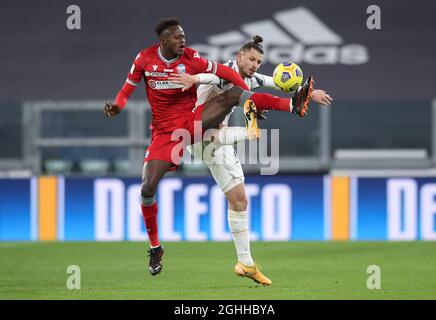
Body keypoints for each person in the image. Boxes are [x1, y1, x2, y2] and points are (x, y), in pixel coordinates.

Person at [103, 18, 313, 278]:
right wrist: (118, 106)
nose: (183, 40)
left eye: (184, 36)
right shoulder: (145, 60)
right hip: (168, 133)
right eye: (177, 37)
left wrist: (251, 93)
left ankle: (289, 108)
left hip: (194, 122)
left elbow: (246, 78)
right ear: (164, 40)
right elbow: (127, 90)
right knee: (147, 187)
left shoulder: (193, 57)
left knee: (233, 105)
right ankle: (156, 247)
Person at [169, 35, 332, 285]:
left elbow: (275, 82)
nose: (256, 64)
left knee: (239, 199)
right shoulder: (226, 73)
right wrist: (194, 78)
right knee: (235, 114)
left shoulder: (250, 78)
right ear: (239, 57)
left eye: (259, 61)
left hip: (213, 140)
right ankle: (249, 127)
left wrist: (309, 93)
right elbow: (211, 77)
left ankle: (245, 263)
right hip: (196, 131)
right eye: (252, 59)